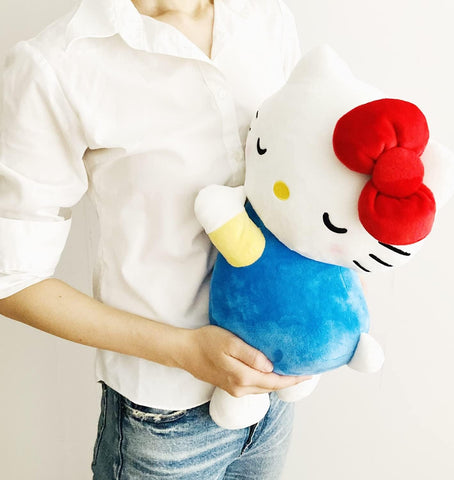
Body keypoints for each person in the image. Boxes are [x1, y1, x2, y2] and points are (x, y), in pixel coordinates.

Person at [0, 0, 310, 478]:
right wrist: (184, 351)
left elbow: (302, 178)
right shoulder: (58, 63)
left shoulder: (267, 18)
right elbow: (11, 278)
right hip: (164, 421)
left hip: (276, 398)